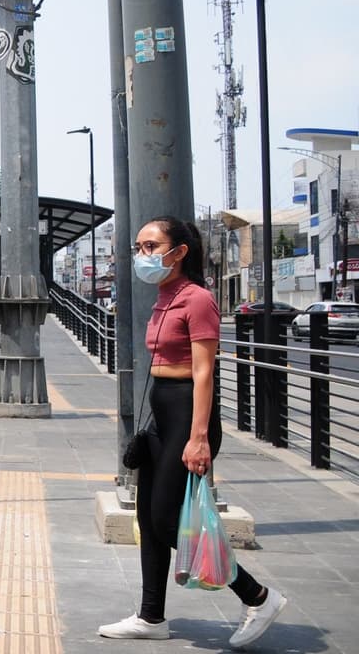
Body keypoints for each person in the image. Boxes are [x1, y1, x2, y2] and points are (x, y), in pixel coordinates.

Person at [98, 216, 286, 647]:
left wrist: (198, 437)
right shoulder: (165, 297)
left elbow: (204, 373)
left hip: (187, 415)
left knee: (167, 523)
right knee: (147, 518)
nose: (142, 256)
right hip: (162, 415)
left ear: (179, 252)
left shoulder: (197, 299)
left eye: (151, 247)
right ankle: (150, 617)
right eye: (139, 248)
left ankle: (257, 596)